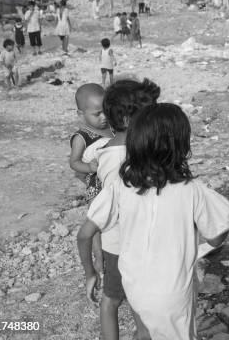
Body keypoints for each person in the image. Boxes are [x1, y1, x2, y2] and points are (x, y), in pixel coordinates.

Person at [81, 102, 229, 339]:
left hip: (135, 286)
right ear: (181, 146)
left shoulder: (121, 186)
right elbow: (216, 236)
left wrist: (90, 272)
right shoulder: (192, 190)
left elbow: (84, 233)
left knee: (145, 332)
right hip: (173, 294)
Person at [77, 79, 160, 340]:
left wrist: (90, 271)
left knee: (112, 300)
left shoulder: (103, 152)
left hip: (118, 242)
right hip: (134, 243)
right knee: (132, 303)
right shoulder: (138, 153)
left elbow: (88, 227)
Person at [69, 84, 114, 274]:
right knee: (96, 223)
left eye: (106, 112)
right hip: (96, 186)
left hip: (112, 183)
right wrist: (88, 167)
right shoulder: (82, 137)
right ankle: (98, 255)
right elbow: (74, 163)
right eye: (97, 114)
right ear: (81, 114)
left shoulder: (112, 130)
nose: (103, 117)